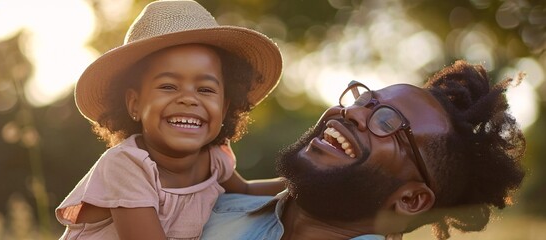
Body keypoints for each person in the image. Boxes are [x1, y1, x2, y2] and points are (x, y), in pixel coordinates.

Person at [201, 60, 526, 240]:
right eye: (362, 100)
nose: (353, 112)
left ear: (411, 199)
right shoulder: (199, 204)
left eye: (388, 121)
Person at [55, 0, 286, 239]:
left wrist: (298, 183)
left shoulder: (213, 159)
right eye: (168, 86)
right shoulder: (126, 165)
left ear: (225, 106)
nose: (188, 99)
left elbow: (247, 190)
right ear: (135, 103)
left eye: (205, 90)